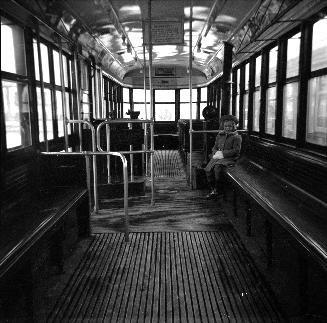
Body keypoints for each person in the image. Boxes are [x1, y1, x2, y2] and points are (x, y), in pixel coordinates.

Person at [204, 115, 242, 199]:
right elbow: (214, 147)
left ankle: (217, 190)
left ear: (233, 127)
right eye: (225, 126)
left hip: (229, 158)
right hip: (218, 156)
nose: (227, 128)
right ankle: (212, 189)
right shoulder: (220, 135)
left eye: (229, 126)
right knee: (208, 169)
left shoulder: (237, 137)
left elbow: (236, 151)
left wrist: (222, 154)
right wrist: (215, 153)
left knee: (217, 168)